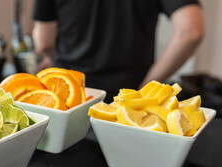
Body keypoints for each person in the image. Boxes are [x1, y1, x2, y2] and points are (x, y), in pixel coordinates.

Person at [32, 0, 204, 102]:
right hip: (127, 100)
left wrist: (50, 57)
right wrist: (148, 85)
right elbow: (190, 31)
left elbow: (44, 42)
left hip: (69, 96)